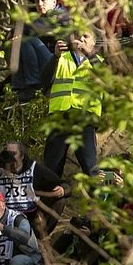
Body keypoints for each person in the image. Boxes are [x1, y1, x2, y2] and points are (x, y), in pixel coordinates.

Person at [42, 29, 104, 178]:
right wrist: (55, 57)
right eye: (77, 36)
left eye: (86, 36)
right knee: (51, 167)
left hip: (85, 118)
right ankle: (50, 198)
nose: (81, 39)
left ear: (94, 42)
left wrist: (90, 54)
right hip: (59, 116)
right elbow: (44, 81)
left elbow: (109, 82)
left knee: (91, 168)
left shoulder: (99, 62)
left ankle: (109, 190)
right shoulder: (61, 58)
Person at [0, 140, 69, 233]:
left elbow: (63, 184)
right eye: (7, 154)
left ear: (22, 156)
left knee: (61, 200)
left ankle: (40, 236)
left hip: (30, 216)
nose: (10, 158)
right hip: (2, 217)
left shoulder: (33, 168)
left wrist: (62, 190)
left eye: (13, 154)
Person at [5, 0, 71, 102]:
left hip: (58, 64)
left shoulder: (59, 15)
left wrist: (15, 31)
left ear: (54, 2)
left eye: (43, 1)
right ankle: (17, 86)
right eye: (37, 2)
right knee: (21, 42)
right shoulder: (45, 15)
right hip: (48, 63)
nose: (40, 4)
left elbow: (38, 27)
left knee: (24, 38)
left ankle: (33, 84)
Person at [27, 215, 103, 265]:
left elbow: (97, 256)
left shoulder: (96, 237)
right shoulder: (70, 237)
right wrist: (68, 233)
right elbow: (55, 251)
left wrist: (89, 237)